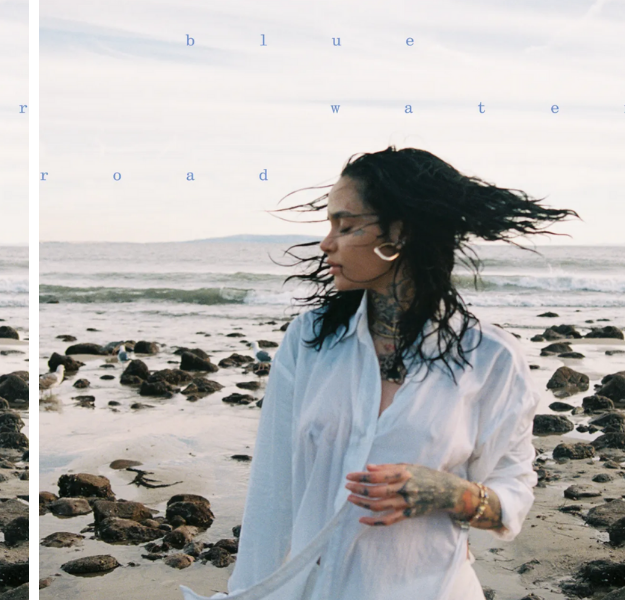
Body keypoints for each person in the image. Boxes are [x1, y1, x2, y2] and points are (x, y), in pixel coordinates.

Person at [181, 146, 578, 600]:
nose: (326, 243)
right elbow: (272, 492)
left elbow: (513, 489)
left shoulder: (490, 359)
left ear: (398, 235)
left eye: (345, 226)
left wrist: (452, 493)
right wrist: (247, 591)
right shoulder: (310, 342)